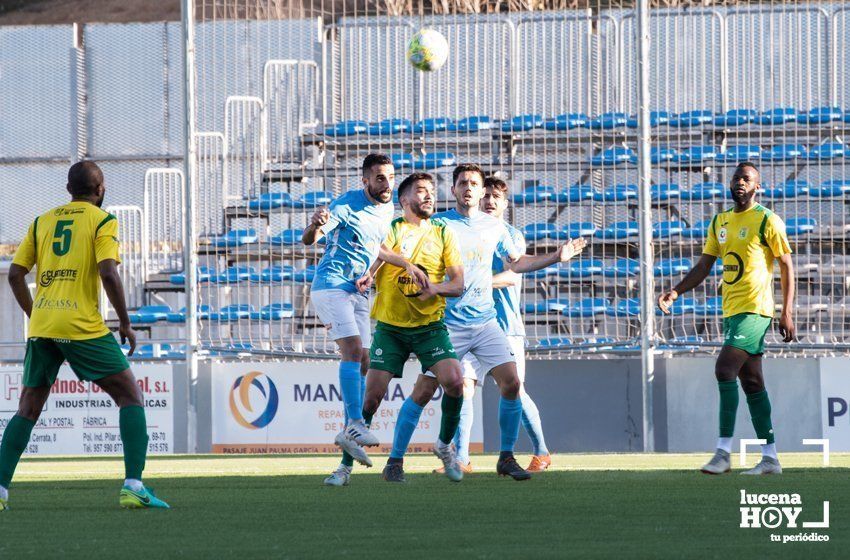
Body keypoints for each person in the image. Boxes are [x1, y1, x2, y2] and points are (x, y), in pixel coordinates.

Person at [382, 163, 586, 481]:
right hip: (448, 325)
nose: (469, 188)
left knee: (512, 384)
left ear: (480, 190)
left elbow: (517, 264)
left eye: (474, 183)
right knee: (424, 391)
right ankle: (394, 462)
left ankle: (505, 457)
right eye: (463, 182)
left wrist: (554, 257)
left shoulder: (494, 227)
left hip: (486, 323)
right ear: (453, 190)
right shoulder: (437, 225)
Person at [0, 161, 169, 510]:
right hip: (81, 325)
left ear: (68, 190)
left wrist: (39, 314)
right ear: (101, 190)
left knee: (28, 409)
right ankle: (133, 485)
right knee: (130, 396)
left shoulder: (41, 221)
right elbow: (108, 272)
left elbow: (15, 275)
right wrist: (124, 322)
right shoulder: (103, 221)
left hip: (44, 325)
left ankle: (0, 488)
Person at [326, 173, 466, 484]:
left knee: (455, 382)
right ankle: (344, 467)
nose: (429, 196)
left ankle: (444, 445)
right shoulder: (390, 227)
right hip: (390, 328)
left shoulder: (443, 232)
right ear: (404, 200)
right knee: (372, 399)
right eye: (421, 191)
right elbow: (375, 255)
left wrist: (434, 290)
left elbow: (458, 285)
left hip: (430, 327)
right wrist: (369, 275)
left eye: (431, 191)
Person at [657, 162, 795, 475]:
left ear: (758, 186)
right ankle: (771, 457)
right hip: (731, 313)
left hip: (756, 309)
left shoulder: (767, 220)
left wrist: (786, 312)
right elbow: (704, 266)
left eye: (747, 179)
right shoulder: (720, 221)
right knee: (752, 381)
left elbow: (786, 264)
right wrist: (676, 291)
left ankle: (722, 452)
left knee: (724, 369)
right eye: (736, 178)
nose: (740, 183)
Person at [441, 176, 551, 475]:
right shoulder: (464, 231)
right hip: (468, 323)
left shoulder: (508, 234)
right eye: (485, 195)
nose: (489, 200)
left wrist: (473, 284)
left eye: (495, 197)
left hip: (505, 325)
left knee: (515, 390)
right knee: (464, 387)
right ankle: (461, 457)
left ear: (505, 203)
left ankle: (541, 451)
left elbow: (513, 275)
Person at [302, 154, 398, 467]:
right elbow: (309, 239)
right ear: (366, 180)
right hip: (331, 285)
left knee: (365, 360)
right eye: (380, 178)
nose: (386, 184)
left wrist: (374, 271)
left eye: (390, 177)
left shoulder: (387, 209)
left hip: (358, 290)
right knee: (353, 351)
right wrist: (315, 225)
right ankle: (356, 423)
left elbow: (378, 248)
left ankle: (347, 431)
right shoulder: (345, 204)